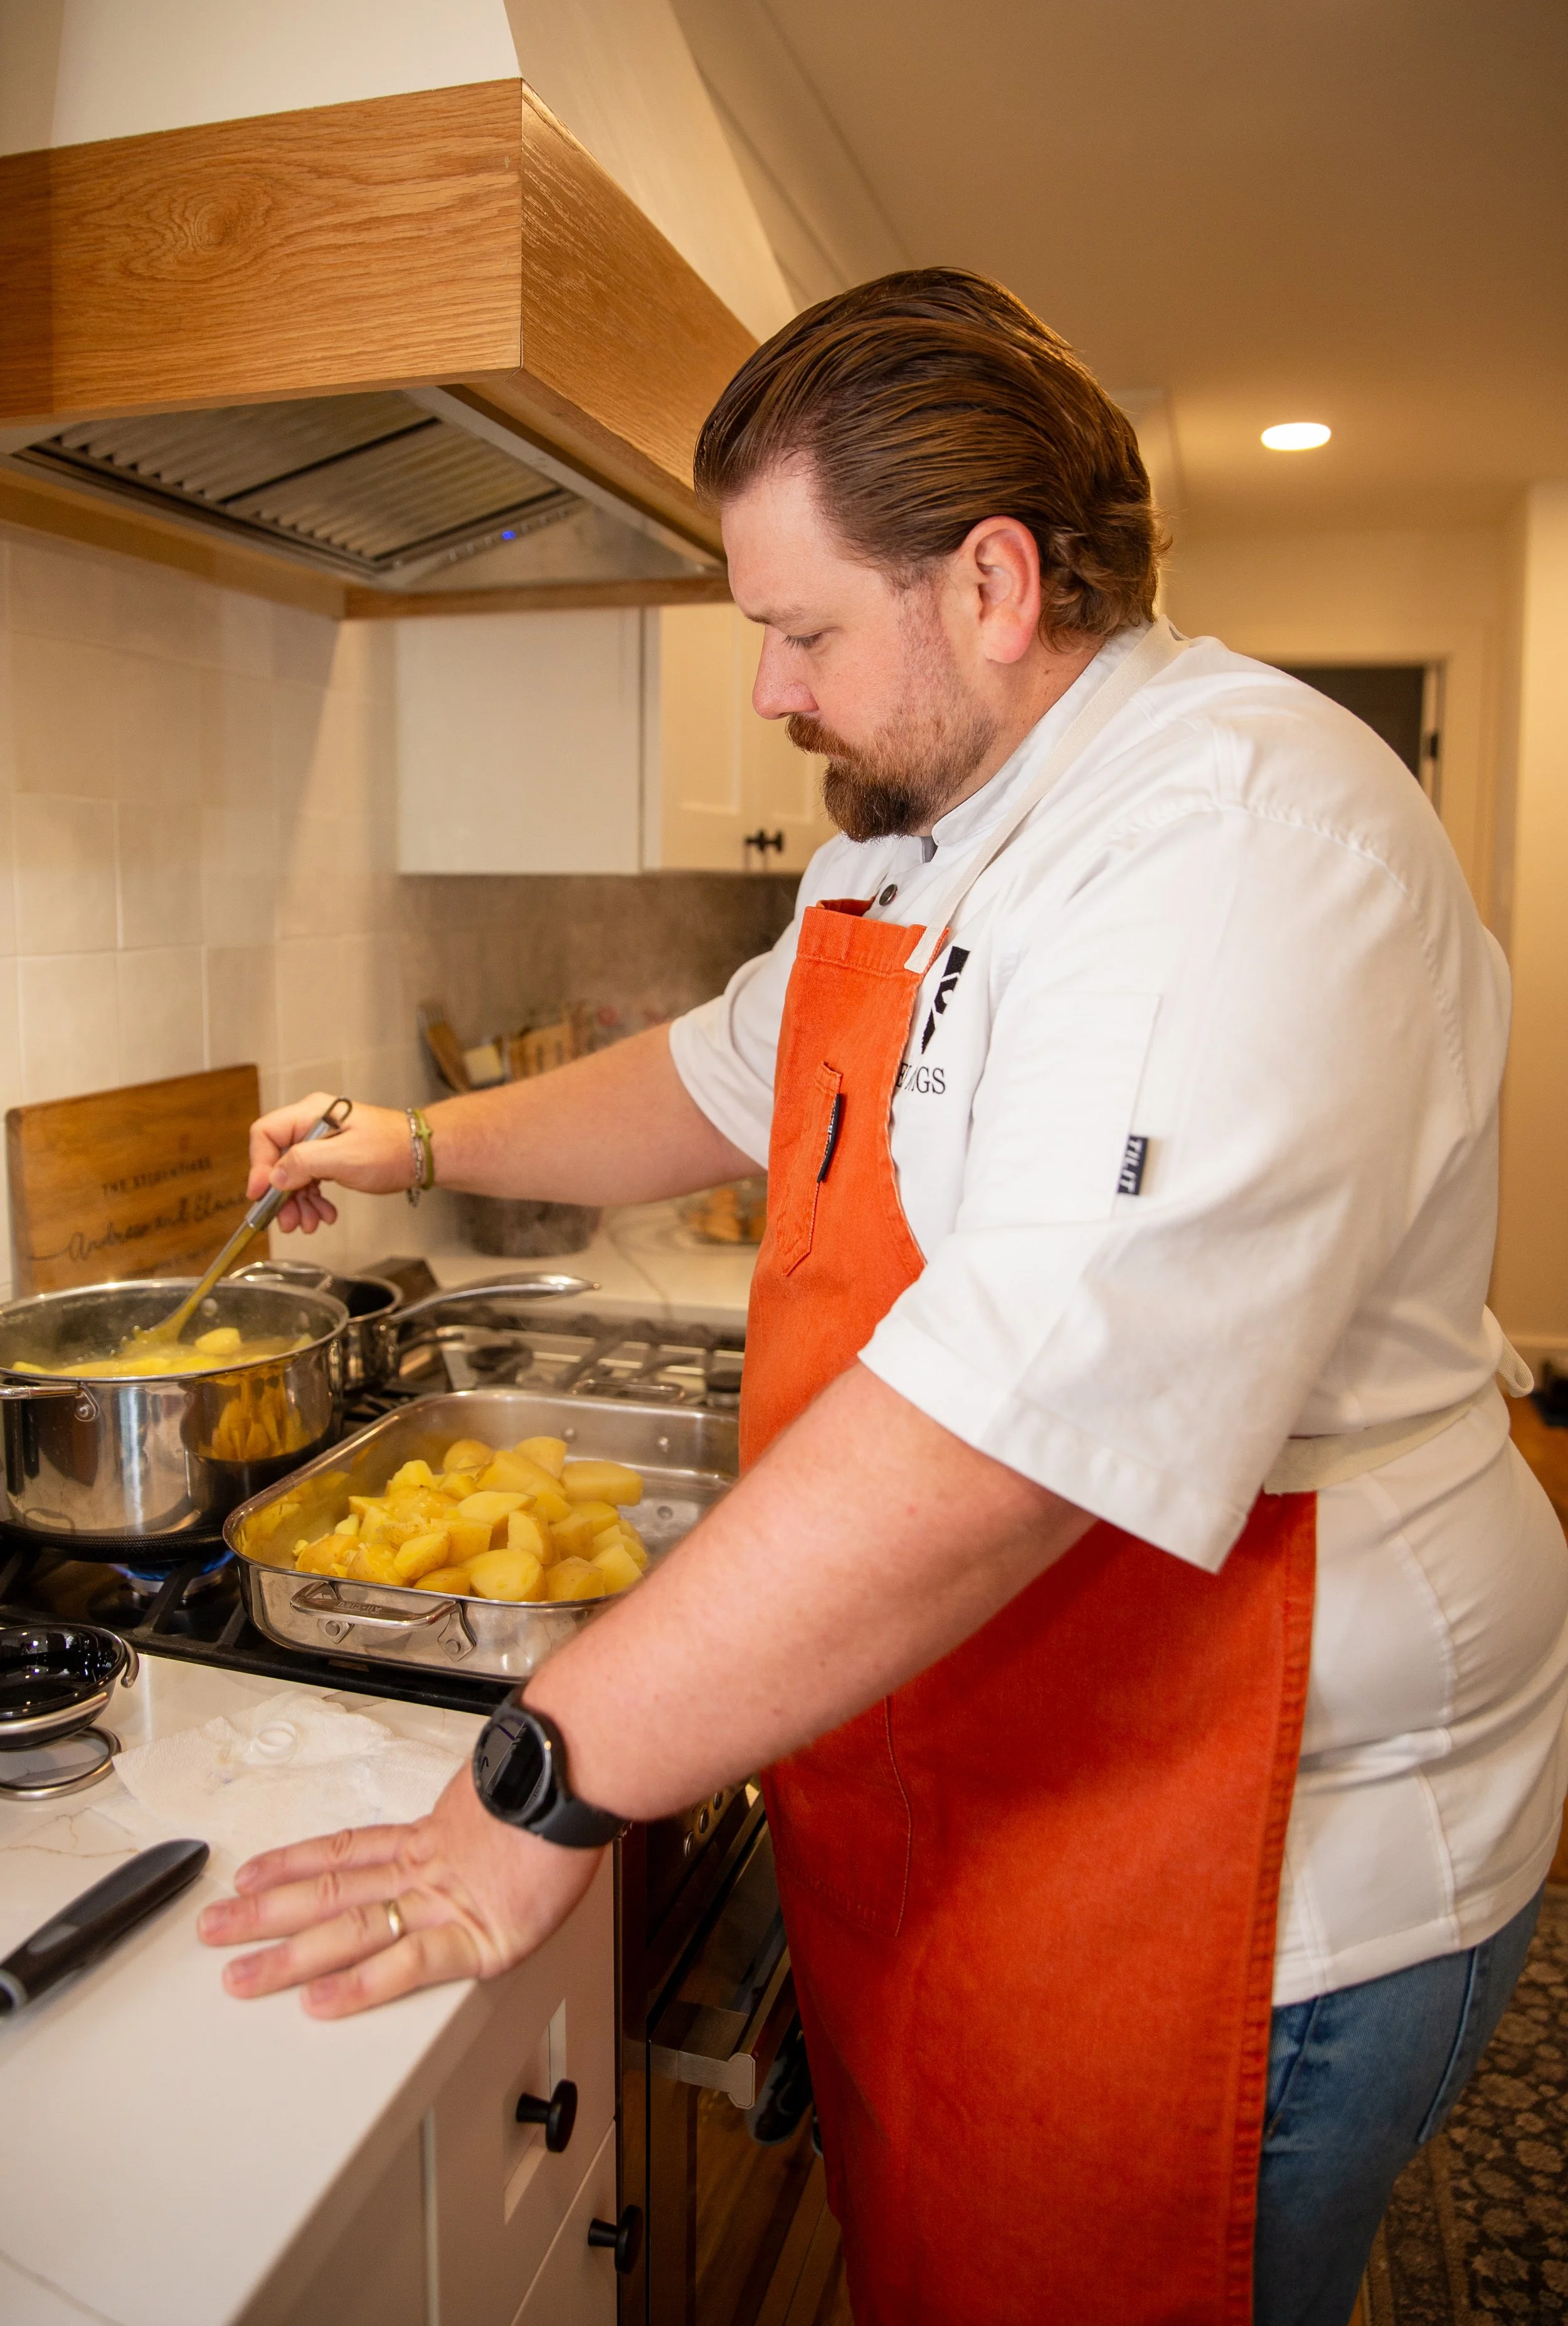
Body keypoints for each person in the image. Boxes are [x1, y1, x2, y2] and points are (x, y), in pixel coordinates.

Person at [199, 271, 1568, 2326]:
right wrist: (405, 1142)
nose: (768, 690)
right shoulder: (911, 842)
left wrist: (544, 1773)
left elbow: (1004, 1434)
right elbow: (713, 1074)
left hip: (1252, 1876)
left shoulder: (1229, 838)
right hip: (1010, 1783)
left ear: (994, 582)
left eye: (801, 627)